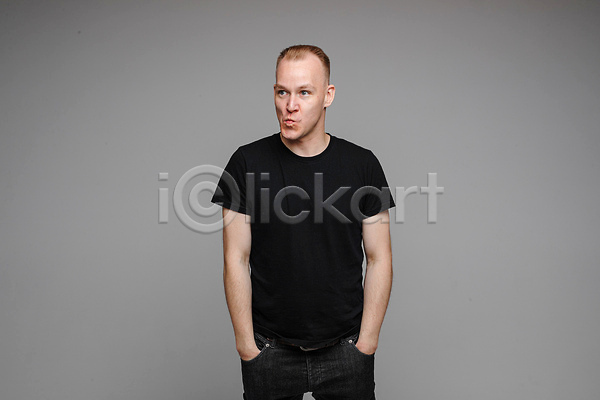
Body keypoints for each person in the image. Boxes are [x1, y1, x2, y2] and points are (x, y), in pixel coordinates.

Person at [211, 44, 395, 400]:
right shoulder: (246, 163)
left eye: (304, 93)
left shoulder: (363, 165)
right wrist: (247, 346)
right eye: (282, 92)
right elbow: (235, 258)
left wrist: (367, 342)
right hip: (269, 351)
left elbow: (379, 258)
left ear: (328, 96)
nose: (289, 105)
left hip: (346, 350)